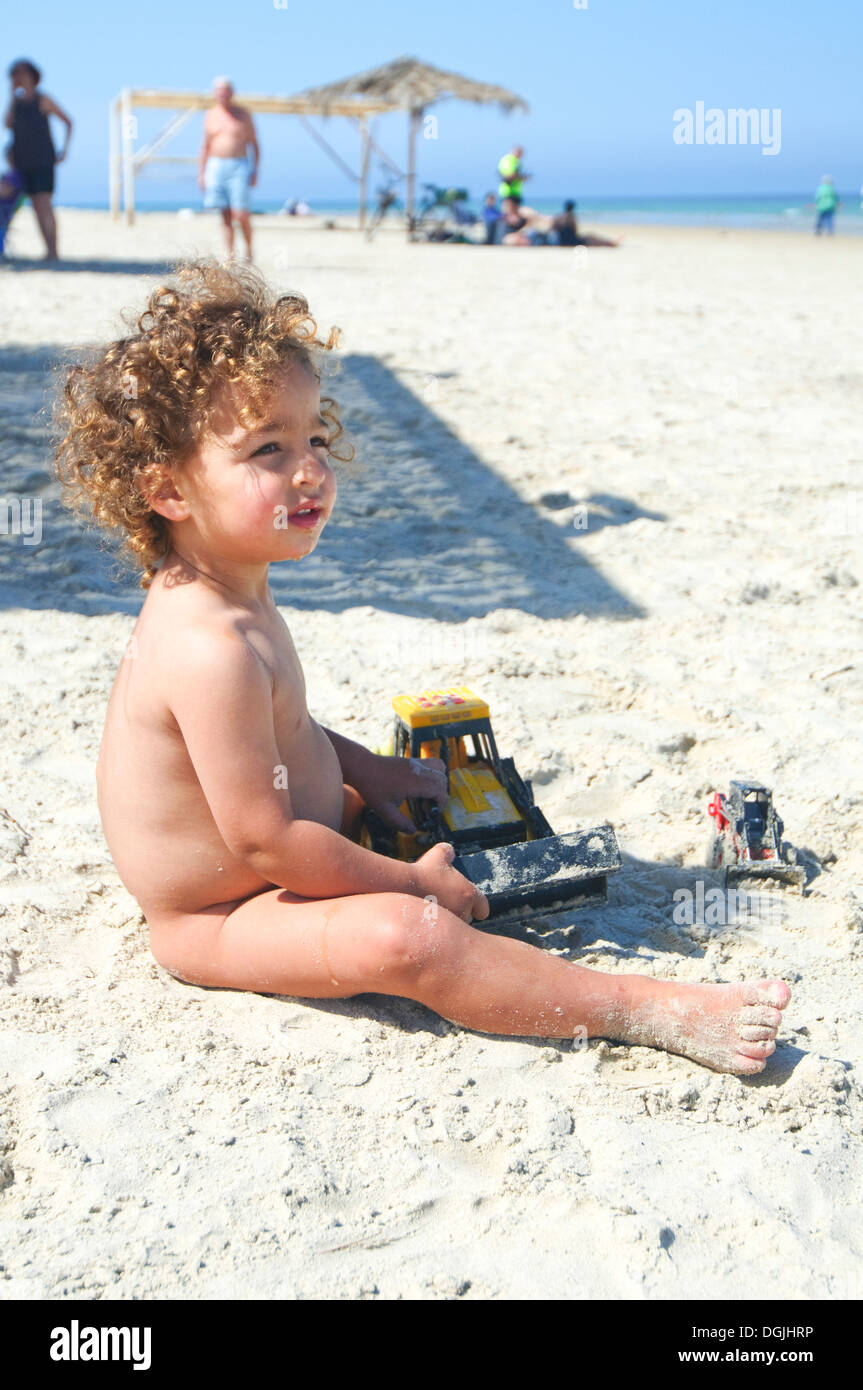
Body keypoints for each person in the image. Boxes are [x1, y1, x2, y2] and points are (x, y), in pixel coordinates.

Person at [54, 260, 791, 1075]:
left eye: (315, 438)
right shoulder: (208, 645)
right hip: (220, 911)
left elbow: (267, 730)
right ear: (167, 492)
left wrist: (366, 767)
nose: (310, 470)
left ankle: (381, 838)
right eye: (269, 449)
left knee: (369, 813)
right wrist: (413, 888)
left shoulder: (228, 596)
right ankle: (637, 1008)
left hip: (282, 852)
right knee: (411, 942)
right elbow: (265, 844)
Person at [3, 59, 72, 261]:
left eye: (22, 73)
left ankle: (53, 251)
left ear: (32, 76)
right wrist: (11, 95)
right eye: (15, 74)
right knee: (35, 205)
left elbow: (68, 122)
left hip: (43, 161)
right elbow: (7, 123)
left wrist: (64, 150)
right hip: (22, 163)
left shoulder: (43, 100)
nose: (18, 77)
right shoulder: (16, 103)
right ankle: (49, 251)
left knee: (44, 204)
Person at [199, 77, 259, 261]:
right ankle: (230, 256)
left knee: (241, 213)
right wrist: (201, 173)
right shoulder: (210, 114)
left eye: (225, 90)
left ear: (231, 93)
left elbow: (255, 144)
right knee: (224, 213)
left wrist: (255, 169)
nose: (222, 94)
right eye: (219, 90)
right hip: (215, 166)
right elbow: (205, 146)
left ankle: (249, 250)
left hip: (239, 164)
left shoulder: (243, 114)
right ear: (215, 94)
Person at [551, 199, 620, 248]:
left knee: (589, 238)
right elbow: (575, 230)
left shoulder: (558, 217)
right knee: (591, 238)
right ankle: (611, 243)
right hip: (571, 242)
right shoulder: (570, 216)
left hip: (561, 241)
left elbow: (552, 229)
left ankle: (611, 243)